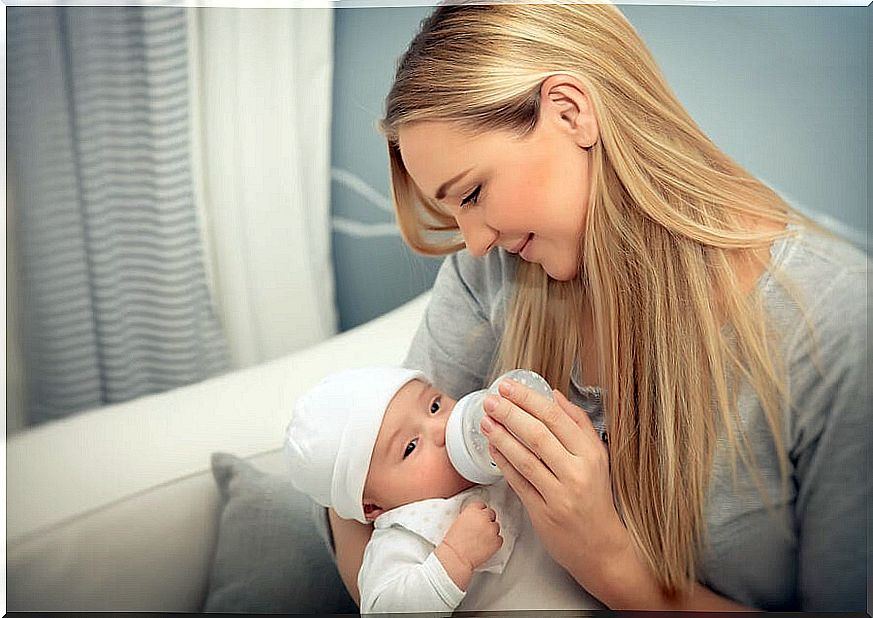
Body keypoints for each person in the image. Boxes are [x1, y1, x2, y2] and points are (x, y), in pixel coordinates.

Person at [328, 2, 871, 613]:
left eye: (474, 193)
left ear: (571, 112)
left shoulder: (834, 326)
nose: (473, 239)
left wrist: (610, 562)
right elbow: (356, 483)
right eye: (453, 211)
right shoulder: (492, 274)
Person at [285, 366, 602, 614]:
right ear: (372, 508)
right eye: (410, 447)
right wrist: (453, 558)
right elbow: (384, 610)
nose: (440, 429)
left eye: (435, 406)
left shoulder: (500, 463)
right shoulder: (405, 537)